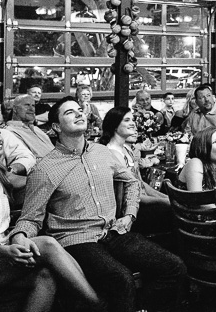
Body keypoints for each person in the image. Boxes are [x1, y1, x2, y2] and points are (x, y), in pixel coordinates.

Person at [11, 97, 186, 312]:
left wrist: (129, 215)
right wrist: (19, 235)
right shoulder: (45, 168)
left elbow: (132, 182)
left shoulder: (102, 152)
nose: (78, 114)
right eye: (69, 113)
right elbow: (30, 217)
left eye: (79, 110)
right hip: (77, 240)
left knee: (174, 267)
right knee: (121, 280)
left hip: (113, 232)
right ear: (56, 127)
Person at [0, 120, 102, 310]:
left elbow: (36, 186)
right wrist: (5, 251)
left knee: (46, 276)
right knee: (48, 244)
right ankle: (99, 306)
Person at [101, 106, 172, 237]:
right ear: (115, 126)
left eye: (132, 119)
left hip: (142, 203)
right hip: (128, 210)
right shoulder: (112, 153)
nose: (132, 123)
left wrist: (167, 198)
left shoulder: (127, 150)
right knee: (173, 212)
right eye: (127, 120)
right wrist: (163, 201)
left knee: (175, 206)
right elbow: (132, 194)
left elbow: (141, 184)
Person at [3, 94, 54, 160]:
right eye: (27, 105)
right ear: (15, 109)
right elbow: (27, 160)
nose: (32, 109)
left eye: (33, 105)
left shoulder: (37, 129)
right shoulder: (10, 132)